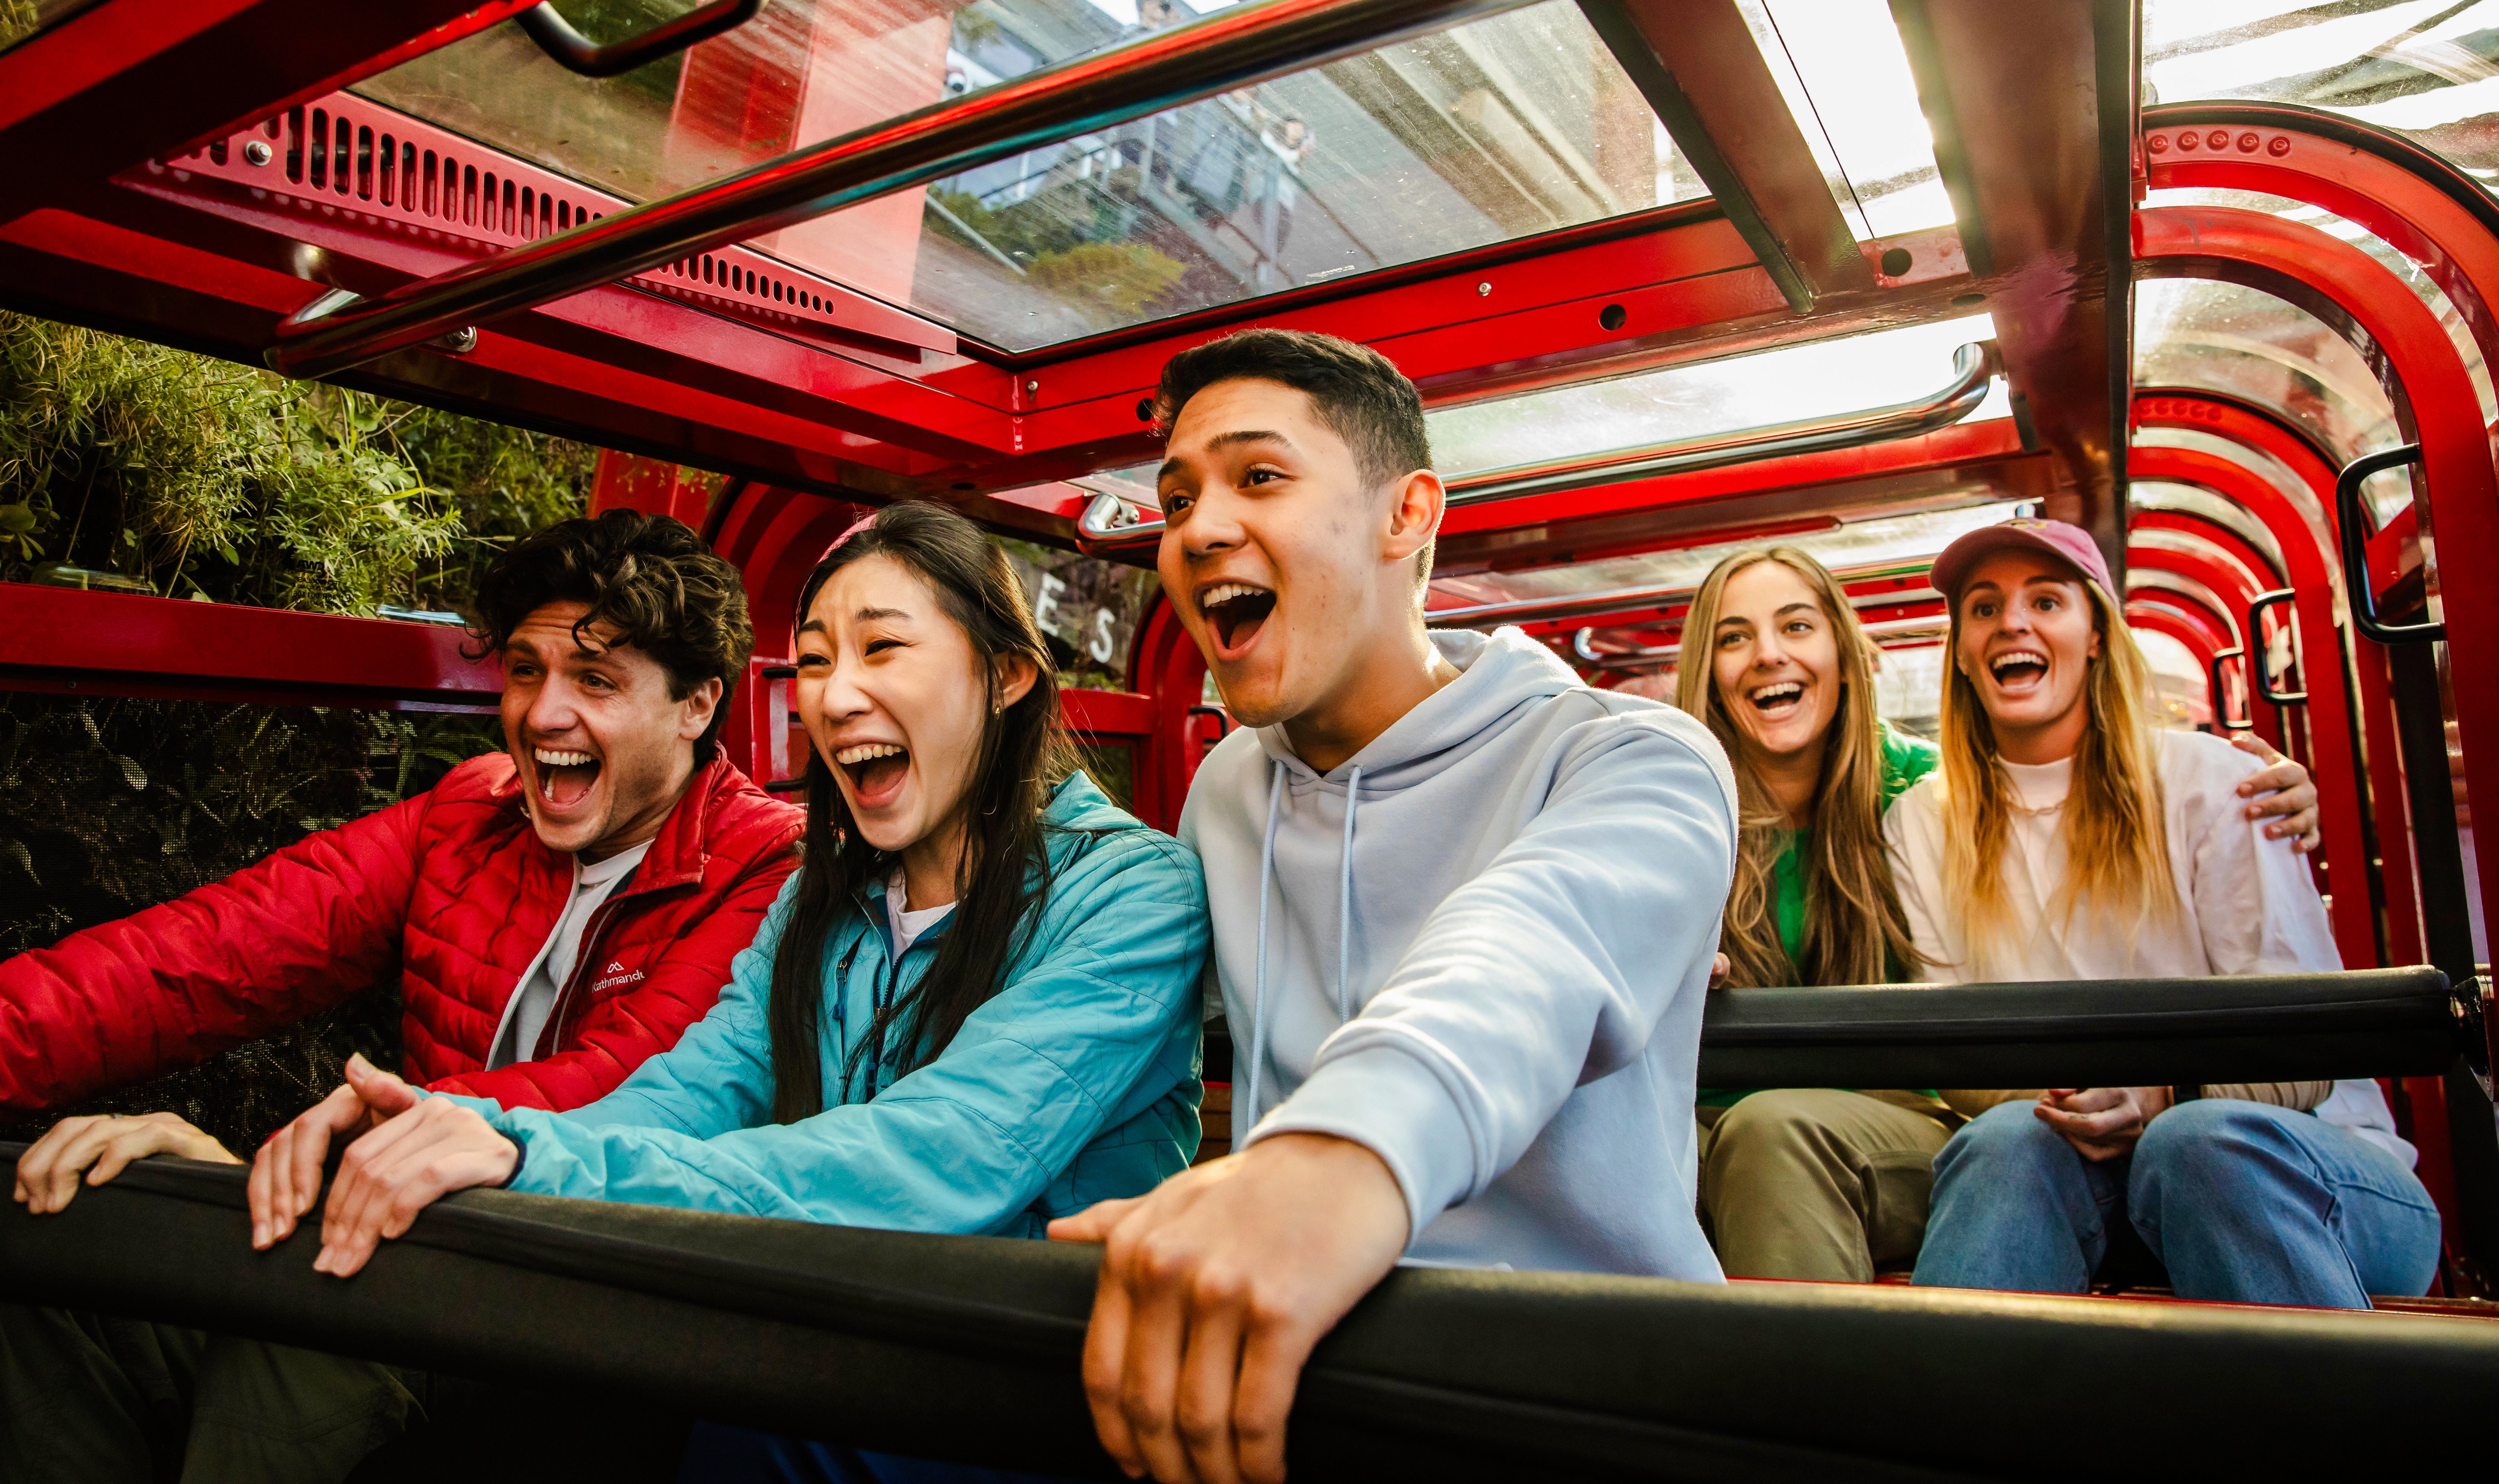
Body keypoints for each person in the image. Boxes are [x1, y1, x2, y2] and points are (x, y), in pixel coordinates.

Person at [244, 501, 1210, 1481]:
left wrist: (527, 1154)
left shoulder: (1130, 895)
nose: (833, 698)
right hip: (819, 1343)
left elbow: (935, 1159)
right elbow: (694, 1092)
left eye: (882, 650)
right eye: (819, 662)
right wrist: (476, 1132)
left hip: (1022, 1389)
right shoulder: (823, 900)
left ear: (1005, 675)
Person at [1049, 329, 1739, 1484]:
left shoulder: (1634, 758)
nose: (1201, 527)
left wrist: (1330, 1160)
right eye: (1177, 499)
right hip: (1290, 1374)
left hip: (1582, 1391)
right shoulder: (1225, 789)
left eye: (1258, 477)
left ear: (1406, 516)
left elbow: (1529, 948)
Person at [3, 509, 803, 1484]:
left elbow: (629, 1085)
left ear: (696, 706)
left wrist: (305, 1165)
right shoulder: (473, 813)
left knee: (303, 1329)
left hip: (596, 1287)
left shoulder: (767, 863)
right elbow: (210, 952)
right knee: (47, 1244)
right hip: (404, 1230)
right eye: (523, 670)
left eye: (595, 681)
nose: (544, 714)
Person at [1675, 545, 2321, 1285]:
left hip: (1875, 1126)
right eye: (1733, 638)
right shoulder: (1675, 814)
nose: (1766, 656)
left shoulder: (1919, 799)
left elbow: (2043, 795)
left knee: (1773, 1135)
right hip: (1706, 1120)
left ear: (1847, 657)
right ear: (1709, 674)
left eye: (1795, 627)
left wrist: (2270, 792)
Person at [1889, 516, 2441, 1308]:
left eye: (2046, 602)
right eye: (1984, 608)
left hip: (2313, 1172)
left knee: (2197, 1144)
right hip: (2084, 1175)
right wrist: (2075, 1104)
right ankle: (1945, 1426)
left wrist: (2159, 1100)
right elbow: (1958, 1063)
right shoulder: (1920, 823)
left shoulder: (2216, 782)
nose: (2012, 622)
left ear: (2097, 639)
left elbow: (2304, 1048)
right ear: (1965, 658)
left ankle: (2337, 1425)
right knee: (2006, 1142)